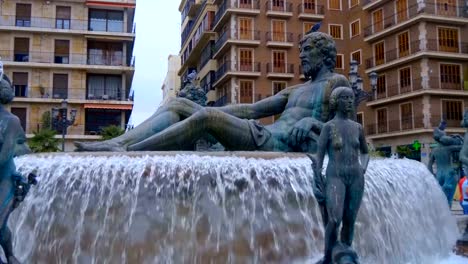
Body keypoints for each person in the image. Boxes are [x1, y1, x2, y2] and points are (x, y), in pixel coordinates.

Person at [75, 31, 350, 152]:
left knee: (207, 117)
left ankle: (131, 150)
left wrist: (311, 121)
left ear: (324, 54)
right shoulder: (295, 90)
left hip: (276, 144)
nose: (301, 57)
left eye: (307, 52)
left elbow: (343, 123)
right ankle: (118, 143)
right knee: (180, 104)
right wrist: (207, 110)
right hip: (260, 134)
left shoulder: (335, 84)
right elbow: (250, 110)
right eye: (300, 52)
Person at [311, 86, 369, 264]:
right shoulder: (328, 127)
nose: (350, 101)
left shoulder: (358, 127)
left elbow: (365, 152)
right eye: (345, 98)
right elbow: (319, 155)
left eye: (351, 97)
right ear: (336, 102)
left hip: (356, 176)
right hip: (335, 176)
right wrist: (317, 175)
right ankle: (328, 256)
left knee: (350, 219)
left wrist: (363, 167)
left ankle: (345, 252)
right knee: (335, 218)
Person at [0, 75, 28, 264]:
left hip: (5, 178)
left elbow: (5, 155)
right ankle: (10, 256)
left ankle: (9, 256)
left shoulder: (11, 121)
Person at [428, 121, 463, 207]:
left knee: (440, 197)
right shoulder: (449, 148)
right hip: (449, 173)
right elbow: (462, 147)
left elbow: (429, 165)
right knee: (449, 198)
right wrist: (458, 137)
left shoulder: (434, 151)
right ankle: (448, 213)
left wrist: (432, 175)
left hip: (439, 175)